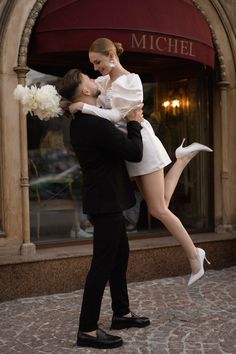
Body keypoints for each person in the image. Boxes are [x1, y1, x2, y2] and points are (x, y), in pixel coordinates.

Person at [69, 37, 212, 287]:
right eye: (92, 64)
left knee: (159, 209)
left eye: (98, 61)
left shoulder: (131, 81)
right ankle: (182, 158)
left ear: (112, 54)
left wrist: (82, 107)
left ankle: (194, 255)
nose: (95, 68)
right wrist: (69, 104)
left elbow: (114, 115)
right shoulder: (103, 82)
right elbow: (93, 98)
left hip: (141, 146)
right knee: (161, 204)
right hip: (129, 149)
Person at [59, 69, 150, 349]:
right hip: (105, 201)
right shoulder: (91, 124)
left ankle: (121, 313)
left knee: (119, 256)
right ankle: (87, 329)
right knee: (102, 264)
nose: (93, 80)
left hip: (108, 198)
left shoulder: (88, 118)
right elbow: (134, 152)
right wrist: (135, 123)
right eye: (88, 78)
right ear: (85, 91)